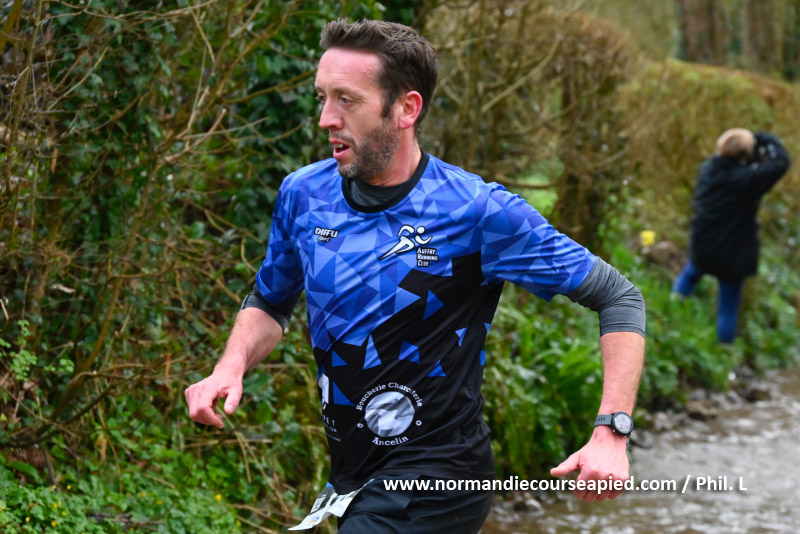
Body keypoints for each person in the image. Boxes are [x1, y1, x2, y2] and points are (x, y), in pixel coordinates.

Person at [185, 19, 646, 533]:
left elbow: (619, 297)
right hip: (354, 475)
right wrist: (230, 366)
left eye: (346, 100)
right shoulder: (304, 194)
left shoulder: (476, 211)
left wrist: (612, 430)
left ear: (406, 109)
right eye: (322, 98)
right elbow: (271, 302)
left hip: (440, 478)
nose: (325, 119)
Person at [673, 128, 790, 344]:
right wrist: (764, 137)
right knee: (728, 307)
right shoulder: (747, 180)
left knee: (690, 275)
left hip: (703, 246)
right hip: (732, 254)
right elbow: (781, 163)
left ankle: (668, 314)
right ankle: (723, 349)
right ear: (745, 155)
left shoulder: (707, 169)